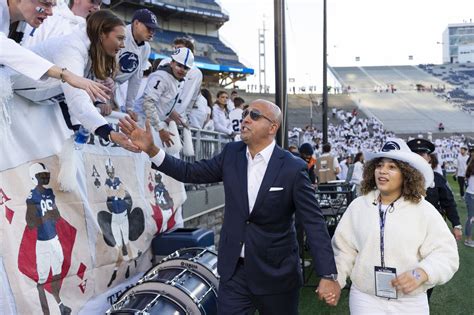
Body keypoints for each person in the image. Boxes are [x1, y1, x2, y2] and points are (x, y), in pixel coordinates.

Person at [119, 99, 341, 314]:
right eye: (244, 114)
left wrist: (327, 274)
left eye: (254, 115)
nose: (245, 119)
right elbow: (189, 172)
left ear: (272, 127)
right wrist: (151, 150)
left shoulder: (293, 167)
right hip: (234, 272)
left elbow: (313, 223)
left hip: (276, 275)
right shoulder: (231, 154)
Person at [332, 138, 459, 314]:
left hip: (410, 301)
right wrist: (336, 280)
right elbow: (344, 249)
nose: (382, 171)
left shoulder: (424, 210)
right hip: (366, 298)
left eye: (392, 167)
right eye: (379, 165)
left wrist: (421, 273)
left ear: (406, 173)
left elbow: (446, 253)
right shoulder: (358, 207)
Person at [10, 10, 139, 151]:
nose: (122, 45)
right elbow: (76, 97)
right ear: (102, 34)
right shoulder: (71, 47)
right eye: (119, 38)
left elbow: (79, 95)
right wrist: (109, 133)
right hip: (11, 98)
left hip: (35, 103)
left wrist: (95, 105)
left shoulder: (94, 51)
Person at [1, 0, 110, 124]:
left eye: (52, 5)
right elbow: (5, 48)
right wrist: (66, 74)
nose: (51, 12)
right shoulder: (59, 27)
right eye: (46, 3)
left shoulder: (21, 21)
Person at [407, 138, 462, 301]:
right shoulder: (399, 177)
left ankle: (423, 301)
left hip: (432, 233)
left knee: (429, 268)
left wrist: (456, 224)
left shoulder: (437, 179)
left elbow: (448, 202)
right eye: (415, 154)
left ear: (429, 158)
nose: (419, 156)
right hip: (407, 230)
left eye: (422, 153)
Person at [26, 163, 71, 315]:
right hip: (43, 243)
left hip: (55, 239)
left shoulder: (50, 192)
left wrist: (54, 214)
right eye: (42, 175)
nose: (45, 177)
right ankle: (46, 312)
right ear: (35, 177)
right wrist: (44, 218)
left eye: (46, 174)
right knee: (42, 281)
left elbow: (56, 214)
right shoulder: (32, 197)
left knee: (57, 274)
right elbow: (30, 223)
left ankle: (60, 305)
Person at [138, 47, 194, 147]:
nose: (182, 70)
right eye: (179, 65)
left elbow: (163, 102)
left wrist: (178, 118)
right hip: (143, 123)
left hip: (153, 124)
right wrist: (160, 129)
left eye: (185, 68)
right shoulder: (161, 77)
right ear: (172, 63)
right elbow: (148, 102)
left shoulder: (178, 80)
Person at [114, 8, 158, 119]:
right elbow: (102, 62)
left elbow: (136, 79)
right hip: (97, 81)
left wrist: (130, 107)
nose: (152, 32)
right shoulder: (120, 33)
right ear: (136, 23)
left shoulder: (146, 48)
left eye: (153, 29)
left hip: (114, 86)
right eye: (148, 28)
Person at [157, 37, 203, 127]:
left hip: (179, 119)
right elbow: (157, 91)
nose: (177, 51)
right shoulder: (166, 62)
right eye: (176, 49)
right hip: (161, 115)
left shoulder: (197, 73)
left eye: (180, 49)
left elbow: (193, 99)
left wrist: (184, 115)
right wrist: (169, 111)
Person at [21, 0, 106, 48]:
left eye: (99, 4)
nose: (97, 7)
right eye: (93, 1)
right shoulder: (50, 15)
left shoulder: (92, 32)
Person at [464, 159, 474, 247]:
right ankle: (468, 240)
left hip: (470, 195)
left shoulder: (471, 168)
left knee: (471, 218)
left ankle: (468, 237)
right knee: (471, 218)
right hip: (472, 196)